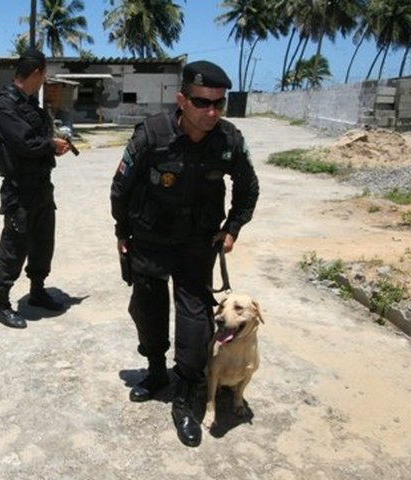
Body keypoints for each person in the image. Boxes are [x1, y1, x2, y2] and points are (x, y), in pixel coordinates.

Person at [110, 60, 259, 446]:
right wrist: (121, 232)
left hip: (197, 242)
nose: (211, 112)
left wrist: (233, 228)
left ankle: (186, 394)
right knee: (147, 306)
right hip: (150, 238)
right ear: (181, 99)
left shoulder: (229, 139)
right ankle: (156, 370)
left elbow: (248, 187)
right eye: (201, 102)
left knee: (195, 319)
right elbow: (121, 187)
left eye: (218, 104)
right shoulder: (152, 134)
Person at [0, 47, 72, 329]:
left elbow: (37, 139)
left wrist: (53, 145)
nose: (45, 79)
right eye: (44, 74)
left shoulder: (29, 105)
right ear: (36, 73)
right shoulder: (6, 106)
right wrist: (50, 145)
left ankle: (37, 290)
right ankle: (2, 304)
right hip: (19, 189)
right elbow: (24, 143)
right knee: (15, 245)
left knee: (42, 241)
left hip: (41, 186)